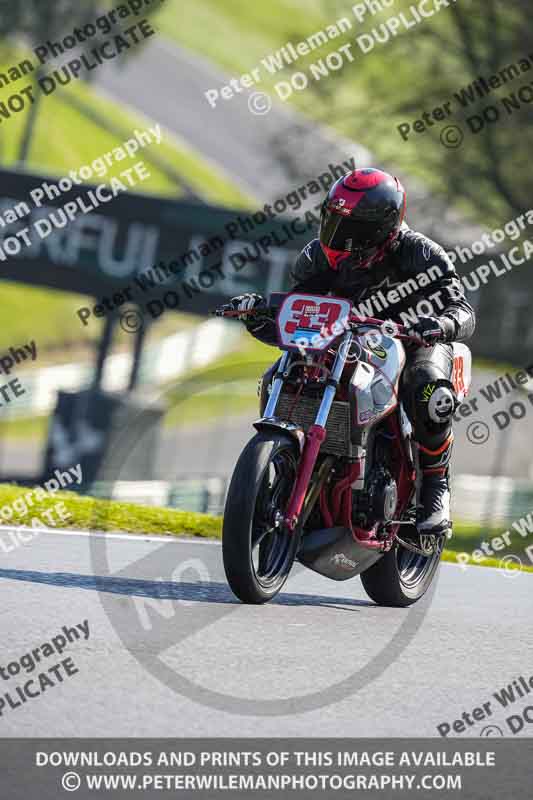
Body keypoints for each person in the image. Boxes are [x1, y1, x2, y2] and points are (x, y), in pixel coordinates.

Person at [229, 168, 475, 537]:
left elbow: (463, 310)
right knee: (282, 371)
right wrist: (260, 317)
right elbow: (297, 316)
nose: (339, 237)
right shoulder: (317, 258)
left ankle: (436, 487)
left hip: (414, 342)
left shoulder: (421, 253)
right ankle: (294, 469)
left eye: (352, 229)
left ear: (381, 229)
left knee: (429, 389)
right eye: (334, 222)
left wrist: (439, 325)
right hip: (348, 341)